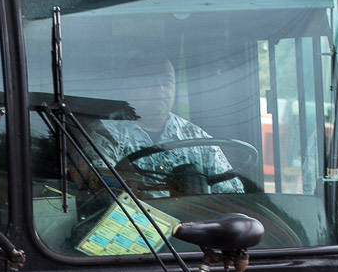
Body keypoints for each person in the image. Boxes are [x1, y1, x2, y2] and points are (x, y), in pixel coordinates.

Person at [87, 56, 245, 196]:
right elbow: (107, 196)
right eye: (149, 81)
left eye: (166, 81)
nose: (160, 89)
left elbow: (232, 195)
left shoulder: (198, 139)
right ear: (128, 85)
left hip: (197, 225)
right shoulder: (105, 134)